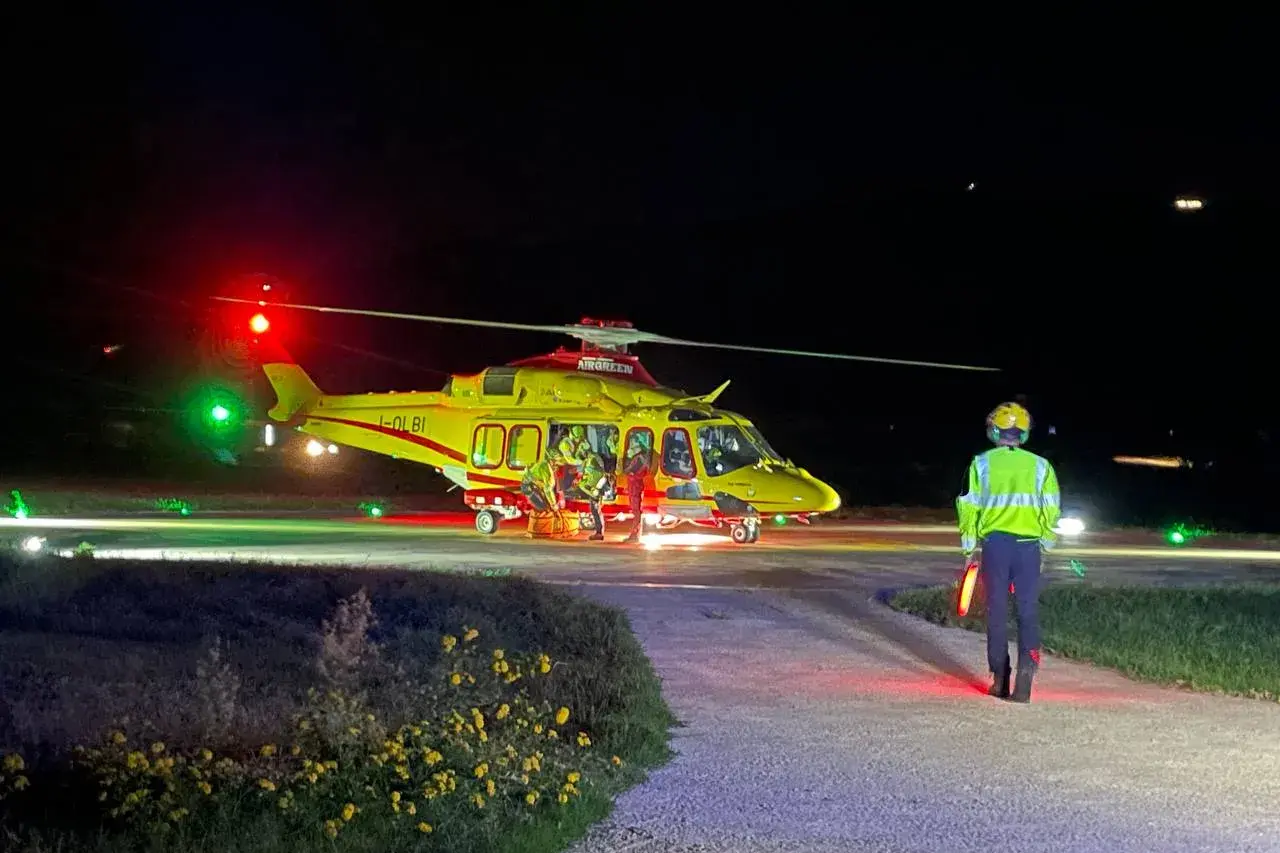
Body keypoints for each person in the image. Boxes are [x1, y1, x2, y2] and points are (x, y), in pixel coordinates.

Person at [956, 402, 1061, 703]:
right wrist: (1046, 544)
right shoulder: (1042, 467)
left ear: (994, 430)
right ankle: (1027, 677)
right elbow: (1051, 509)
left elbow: (968, 506)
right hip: (1029, 547)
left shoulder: (981, 464)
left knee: (997, 612)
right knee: (1028, 611)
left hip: (995, 546)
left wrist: (968, 547)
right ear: (1024, 432)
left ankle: (1000, 677)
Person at [622, 433, 652, 543]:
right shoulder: (642, 458)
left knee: (636, 511)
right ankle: (635, 534)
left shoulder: (638, 459)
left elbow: (630, 471)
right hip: (635, 487)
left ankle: (634, 534)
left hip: (635, 487)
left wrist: (628, 473)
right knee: (636, 511)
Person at [577, 452, 611, 541]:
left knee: (595, 510)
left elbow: (600, 475)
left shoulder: (592, 460)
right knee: (596, 510)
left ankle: (599, 533)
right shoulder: (591, 458)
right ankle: (599, 532)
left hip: (595, 490)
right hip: (594, 489)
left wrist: (595, 488)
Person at [520, 448, 562, 513]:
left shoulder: (541, 459)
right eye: (557, 463)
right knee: (544, 507)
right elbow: (548, 489)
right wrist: (554, 505)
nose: (556, 467)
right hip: (529, 488)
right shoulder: (547, 469)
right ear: (553, 461)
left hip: (527, 484)